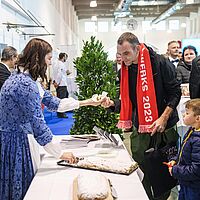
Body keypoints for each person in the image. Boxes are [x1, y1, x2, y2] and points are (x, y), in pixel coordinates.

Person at [0, 38, 105, 200]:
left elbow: (55, 103)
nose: (50, 64)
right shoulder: (25, 85)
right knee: (23, 192)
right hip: (17, 145)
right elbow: (38, 125)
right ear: (38, 58)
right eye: (48, 59)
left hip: (18, 141)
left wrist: (88, 102)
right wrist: (60, 153)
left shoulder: (26, 80)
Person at [101, 32, 181, 200]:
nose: (123, 58)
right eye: (120, 54)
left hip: (164, 126)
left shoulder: (160, 63)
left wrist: (163, 118)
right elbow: (130, 101)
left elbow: (175, 93)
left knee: (162, 170)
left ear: (137, 48)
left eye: (126, 53)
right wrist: (113, 104)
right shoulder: (125, 70)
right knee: (140, 165)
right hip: (141, 126)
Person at [168, 98, 200, 200]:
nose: (183, 115)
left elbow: (196, 170)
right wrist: (175, 160)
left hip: (194, 187)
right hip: (186, 182)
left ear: (197, 118)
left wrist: (175, 170)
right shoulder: (191, 130)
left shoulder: (198, 141)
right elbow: (184, 151)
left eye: (187, 113)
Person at [53, 52, 70, 118]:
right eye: (66, 57)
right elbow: (59, 75)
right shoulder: (60, 64)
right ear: (63, 57)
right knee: (62, 99)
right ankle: (61, 113)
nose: (66, 59)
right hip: (61, 84)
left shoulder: (57, 63)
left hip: (60, 83)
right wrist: (57, 83)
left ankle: (63, 111)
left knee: (64, 97)